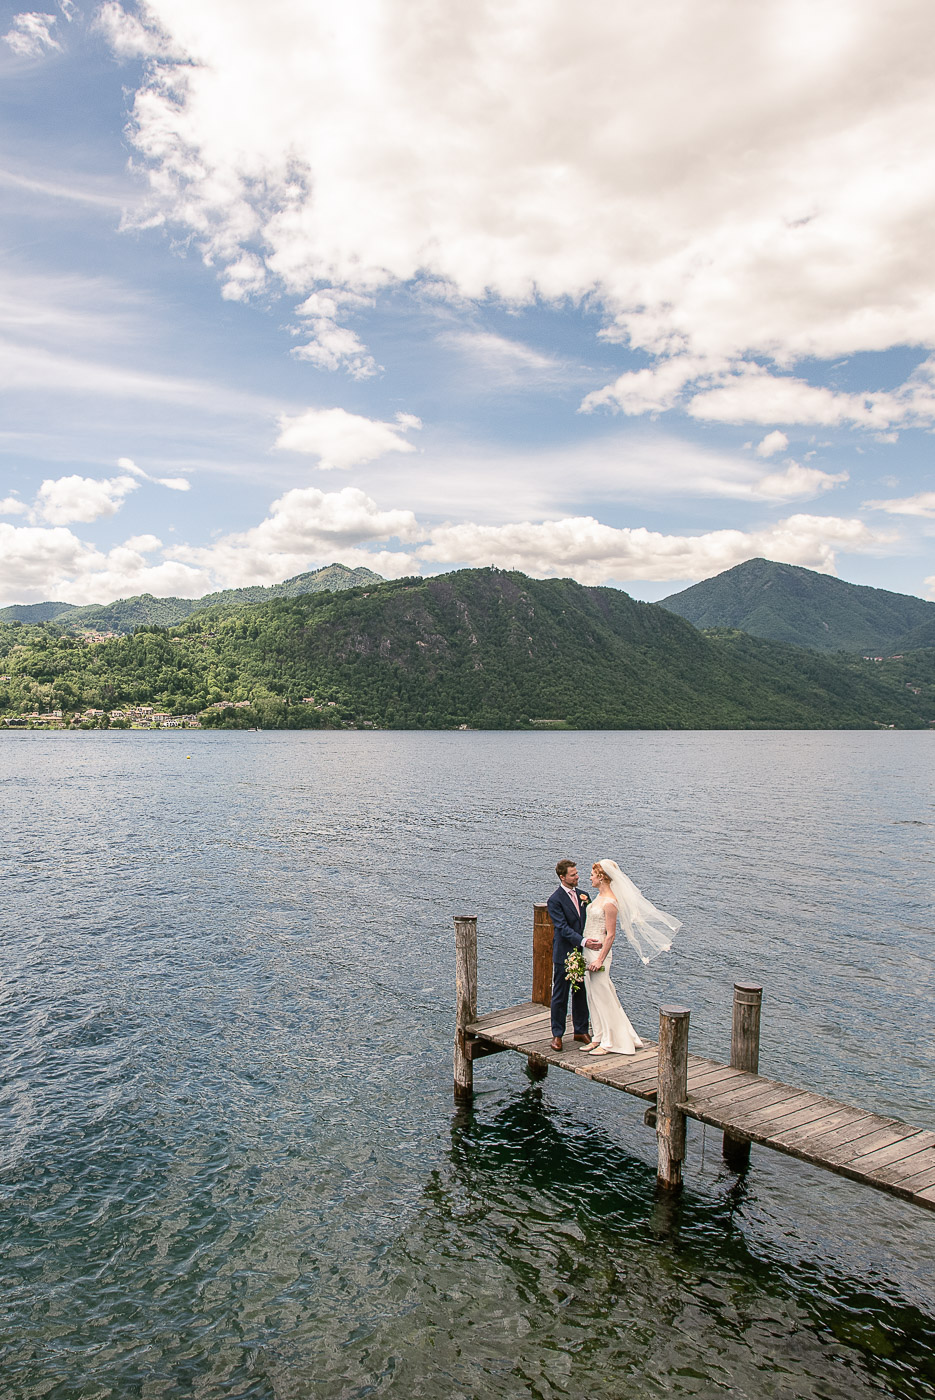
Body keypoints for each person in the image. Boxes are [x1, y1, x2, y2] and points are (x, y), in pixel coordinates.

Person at [580, 858, 682, 1056]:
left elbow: (610, 934)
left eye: (592, 874)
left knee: (603, 995)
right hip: (588, 950)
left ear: (601, 877)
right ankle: (598, 1035)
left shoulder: (610, 902)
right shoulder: (598, 897)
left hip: (599, 952)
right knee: (592, 994)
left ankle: (610, 1041)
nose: (590, 877)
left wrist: (600, 958)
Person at [546, 859, 603, 1051]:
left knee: (581, 992)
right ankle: (557, 1034)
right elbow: (562, 928)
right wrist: (584, 941)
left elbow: (592, 920)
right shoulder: (554, 900)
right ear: (563, 877)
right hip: (564, 953)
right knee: (560, 995)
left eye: (577, 873)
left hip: (583, 953)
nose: (577, 877)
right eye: (573, 875)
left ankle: (581, 1029)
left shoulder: (584, 895)